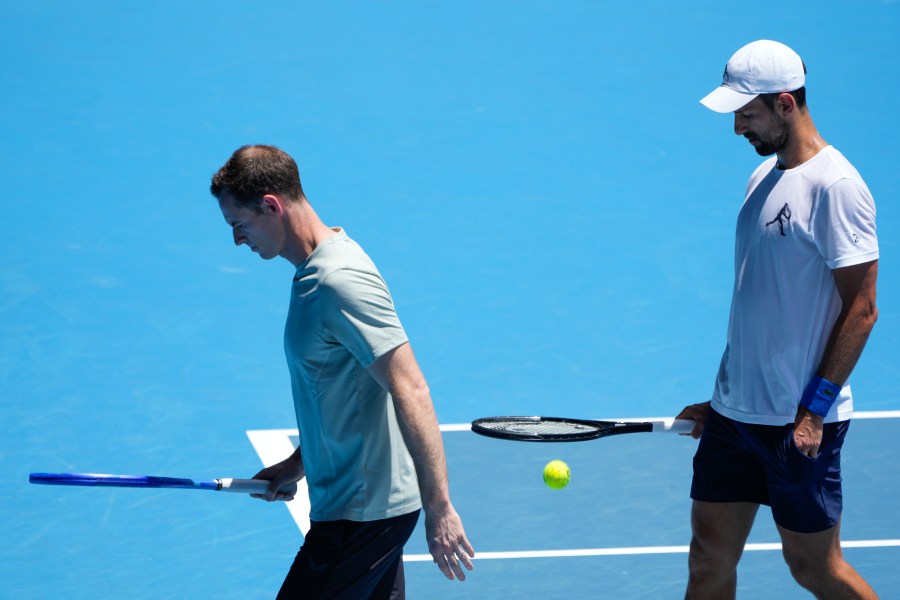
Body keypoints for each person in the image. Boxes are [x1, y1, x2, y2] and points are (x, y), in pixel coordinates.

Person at [209, 145, 474, 599]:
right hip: (356, 506)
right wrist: (299, 464)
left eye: (239, 225)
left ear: (271, 205)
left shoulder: (338, 280)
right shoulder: (315, 273)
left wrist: (440, 508)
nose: (237, 240)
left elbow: (410, 387)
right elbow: (339, 392)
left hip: (363, 515)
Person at [677, 40, 879, 599]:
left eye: (747, 113)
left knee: (814, 568)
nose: (738, 127)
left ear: (786, 104)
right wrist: (722, 398)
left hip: (798, 424)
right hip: (734, 417)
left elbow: (862, 309)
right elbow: (759, 302)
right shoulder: (761, 179)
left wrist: (813, 411)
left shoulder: (836, 188)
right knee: (707, 558)